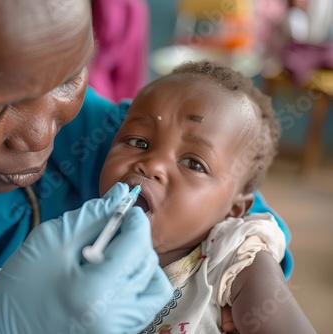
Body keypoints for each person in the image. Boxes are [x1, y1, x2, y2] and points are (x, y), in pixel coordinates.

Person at [0, 1, 290, 333]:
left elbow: (232, 194)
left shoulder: (106, 133)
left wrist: (243, 274)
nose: (41, 137)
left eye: (69, 75)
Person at [98, 61, 316, 333]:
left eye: (193, 163)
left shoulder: (234, 260)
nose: (151, 165)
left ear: (235, 209)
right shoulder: (78, 238)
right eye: (138, 142)